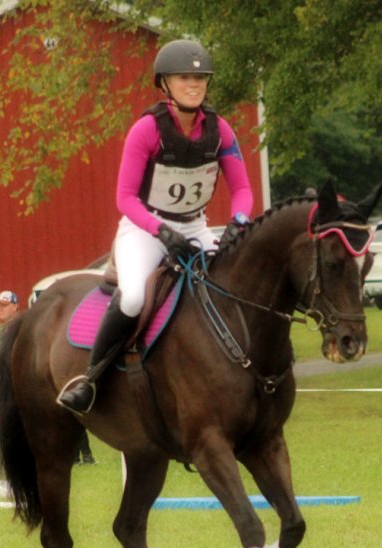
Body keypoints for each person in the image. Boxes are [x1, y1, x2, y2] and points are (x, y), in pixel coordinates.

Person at [57, 38, 254, 415]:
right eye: (184, 78)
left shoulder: (221, 130)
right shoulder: (146, 130)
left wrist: (240, 221)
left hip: (195, 227)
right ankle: (91, 379)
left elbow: (242, 188)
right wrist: (161, 232)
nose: (194, 85)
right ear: (165, 84)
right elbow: (125, 198)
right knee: (132, 297)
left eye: (201, 79)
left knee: (231, 287)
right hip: (144, 229)